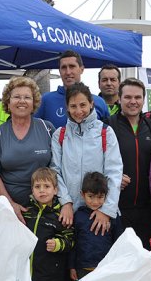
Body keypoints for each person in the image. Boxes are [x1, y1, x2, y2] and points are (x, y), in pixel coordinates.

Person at [51, 82, 123, 235]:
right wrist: (66, 202)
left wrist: (107, 209)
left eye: (83, 105)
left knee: (96, 256)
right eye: (73, 106)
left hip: (99, 213)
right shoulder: (60, 135)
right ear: (67, 107)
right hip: (69, 213)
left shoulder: (105, 132)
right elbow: (55, 171)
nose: (78, 111)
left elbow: (114, 172)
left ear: (91, 104)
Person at [0, 77, 53, 223]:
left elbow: (58, 167)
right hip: (7, 208)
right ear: (8, 101)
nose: (22, 101)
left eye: (27, 97)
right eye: (16, 97)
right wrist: (10, 204)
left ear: (34, 102)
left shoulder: (47, 128)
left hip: (44, 207)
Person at [108, 78, 151, 249]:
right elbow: (97, 162)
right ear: (119, 99)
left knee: (147, 260)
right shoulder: (109, 125)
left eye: (137, 97)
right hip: (119, 207)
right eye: (128, 97)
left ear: (143, 99)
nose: (133, 102)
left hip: (147, 209)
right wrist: (112, 178)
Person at [23, 167, 74, 281]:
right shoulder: (27, 212)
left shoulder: (61, 215)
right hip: (27, 276)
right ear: (32, 190)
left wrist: (58, 244)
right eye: (37, 186)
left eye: (47, 186)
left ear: (55, 190)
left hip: (51, 277)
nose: (42, 190)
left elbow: (70, 239)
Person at [69, 172, 124, 281]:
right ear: (82, 194)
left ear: (106, 195)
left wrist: (118, 265)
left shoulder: (112, 216)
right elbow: (73, 243)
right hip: (83, 269)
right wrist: (71, 267)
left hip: (106, 268)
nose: (95, 202)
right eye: (91, 196)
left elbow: (119, 241)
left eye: (100, 197)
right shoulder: (78, 216)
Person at [35, 50, 110, 128]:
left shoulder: (99, 102)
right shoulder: (46, 100)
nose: (68, 72)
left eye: (72, 66)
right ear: (59, 71)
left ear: (82, 69)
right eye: (64, 67)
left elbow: (106, 134)